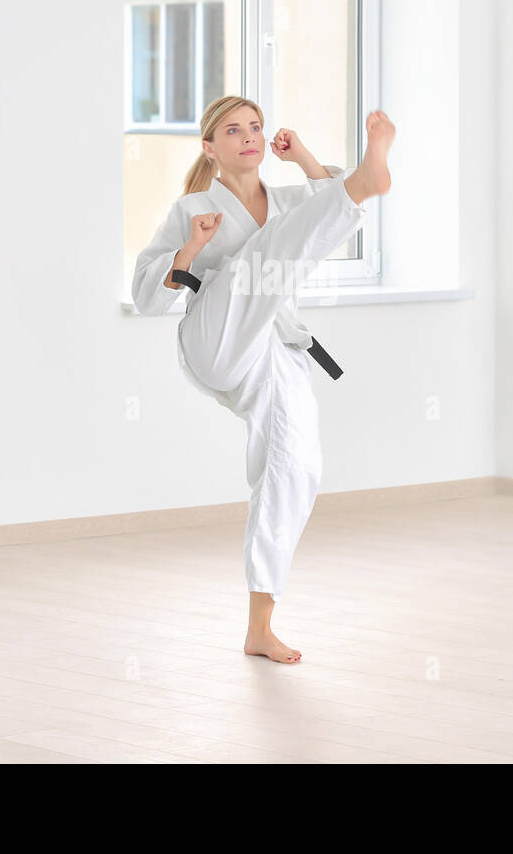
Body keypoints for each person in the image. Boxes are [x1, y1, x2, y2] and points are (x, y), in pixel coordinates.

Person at [131, 95, 395, 663]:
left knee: (295, 465)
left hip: (272, 346)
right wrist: (192, 246)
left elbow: (327, 220)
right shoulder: (193, 206)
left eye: (256, 127)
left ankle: (260, 624)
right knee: (264, 256)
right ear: (210, 147)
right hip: (215, 339)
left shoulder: (286, 201)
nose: (249, 137)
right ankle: (366, 179)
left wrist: (303, 157)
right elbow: (146, 299)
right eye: (233, 130)